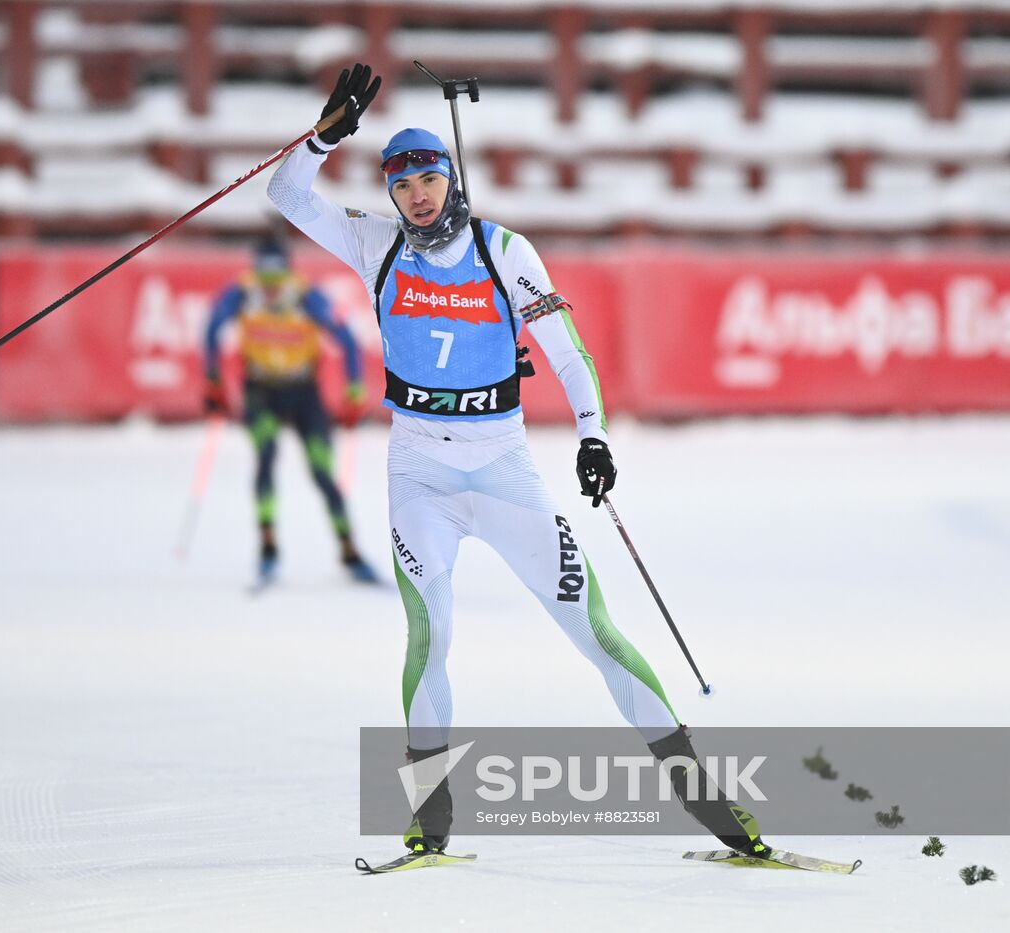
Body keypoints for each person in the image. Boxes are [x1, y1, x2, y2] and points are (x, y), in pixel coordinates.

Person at [267, 63, 768, 859]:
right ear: (392, 195)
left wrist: (594, 435)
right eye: (404, 186)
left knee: (595, 630)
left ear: (450, 178)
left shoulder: (505, 252)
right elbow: (287, 197)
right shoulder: (374, 244)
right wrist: (323, 138)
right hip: (419, 477)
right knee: (428, 634)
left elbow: (567, 356)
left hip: (504, 473)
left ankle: (707, 802)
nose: (419, 196)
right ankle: (431, 818)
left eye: (431, 178)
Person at [203, 236, 378, 586]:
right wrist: (213, 381)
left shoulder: (303, 295)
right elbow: (211, 329)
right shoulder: (242, 293)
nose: (269, 286)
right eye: (263, 276)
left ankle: (349, 549)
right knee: (266, 456)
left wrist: (355, 388)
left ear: (286, 271)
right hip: (262, 392)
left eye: (276, 276)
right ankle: (268, 547)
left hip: (302, 393)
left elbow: (346, 339)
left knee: (322, 472)